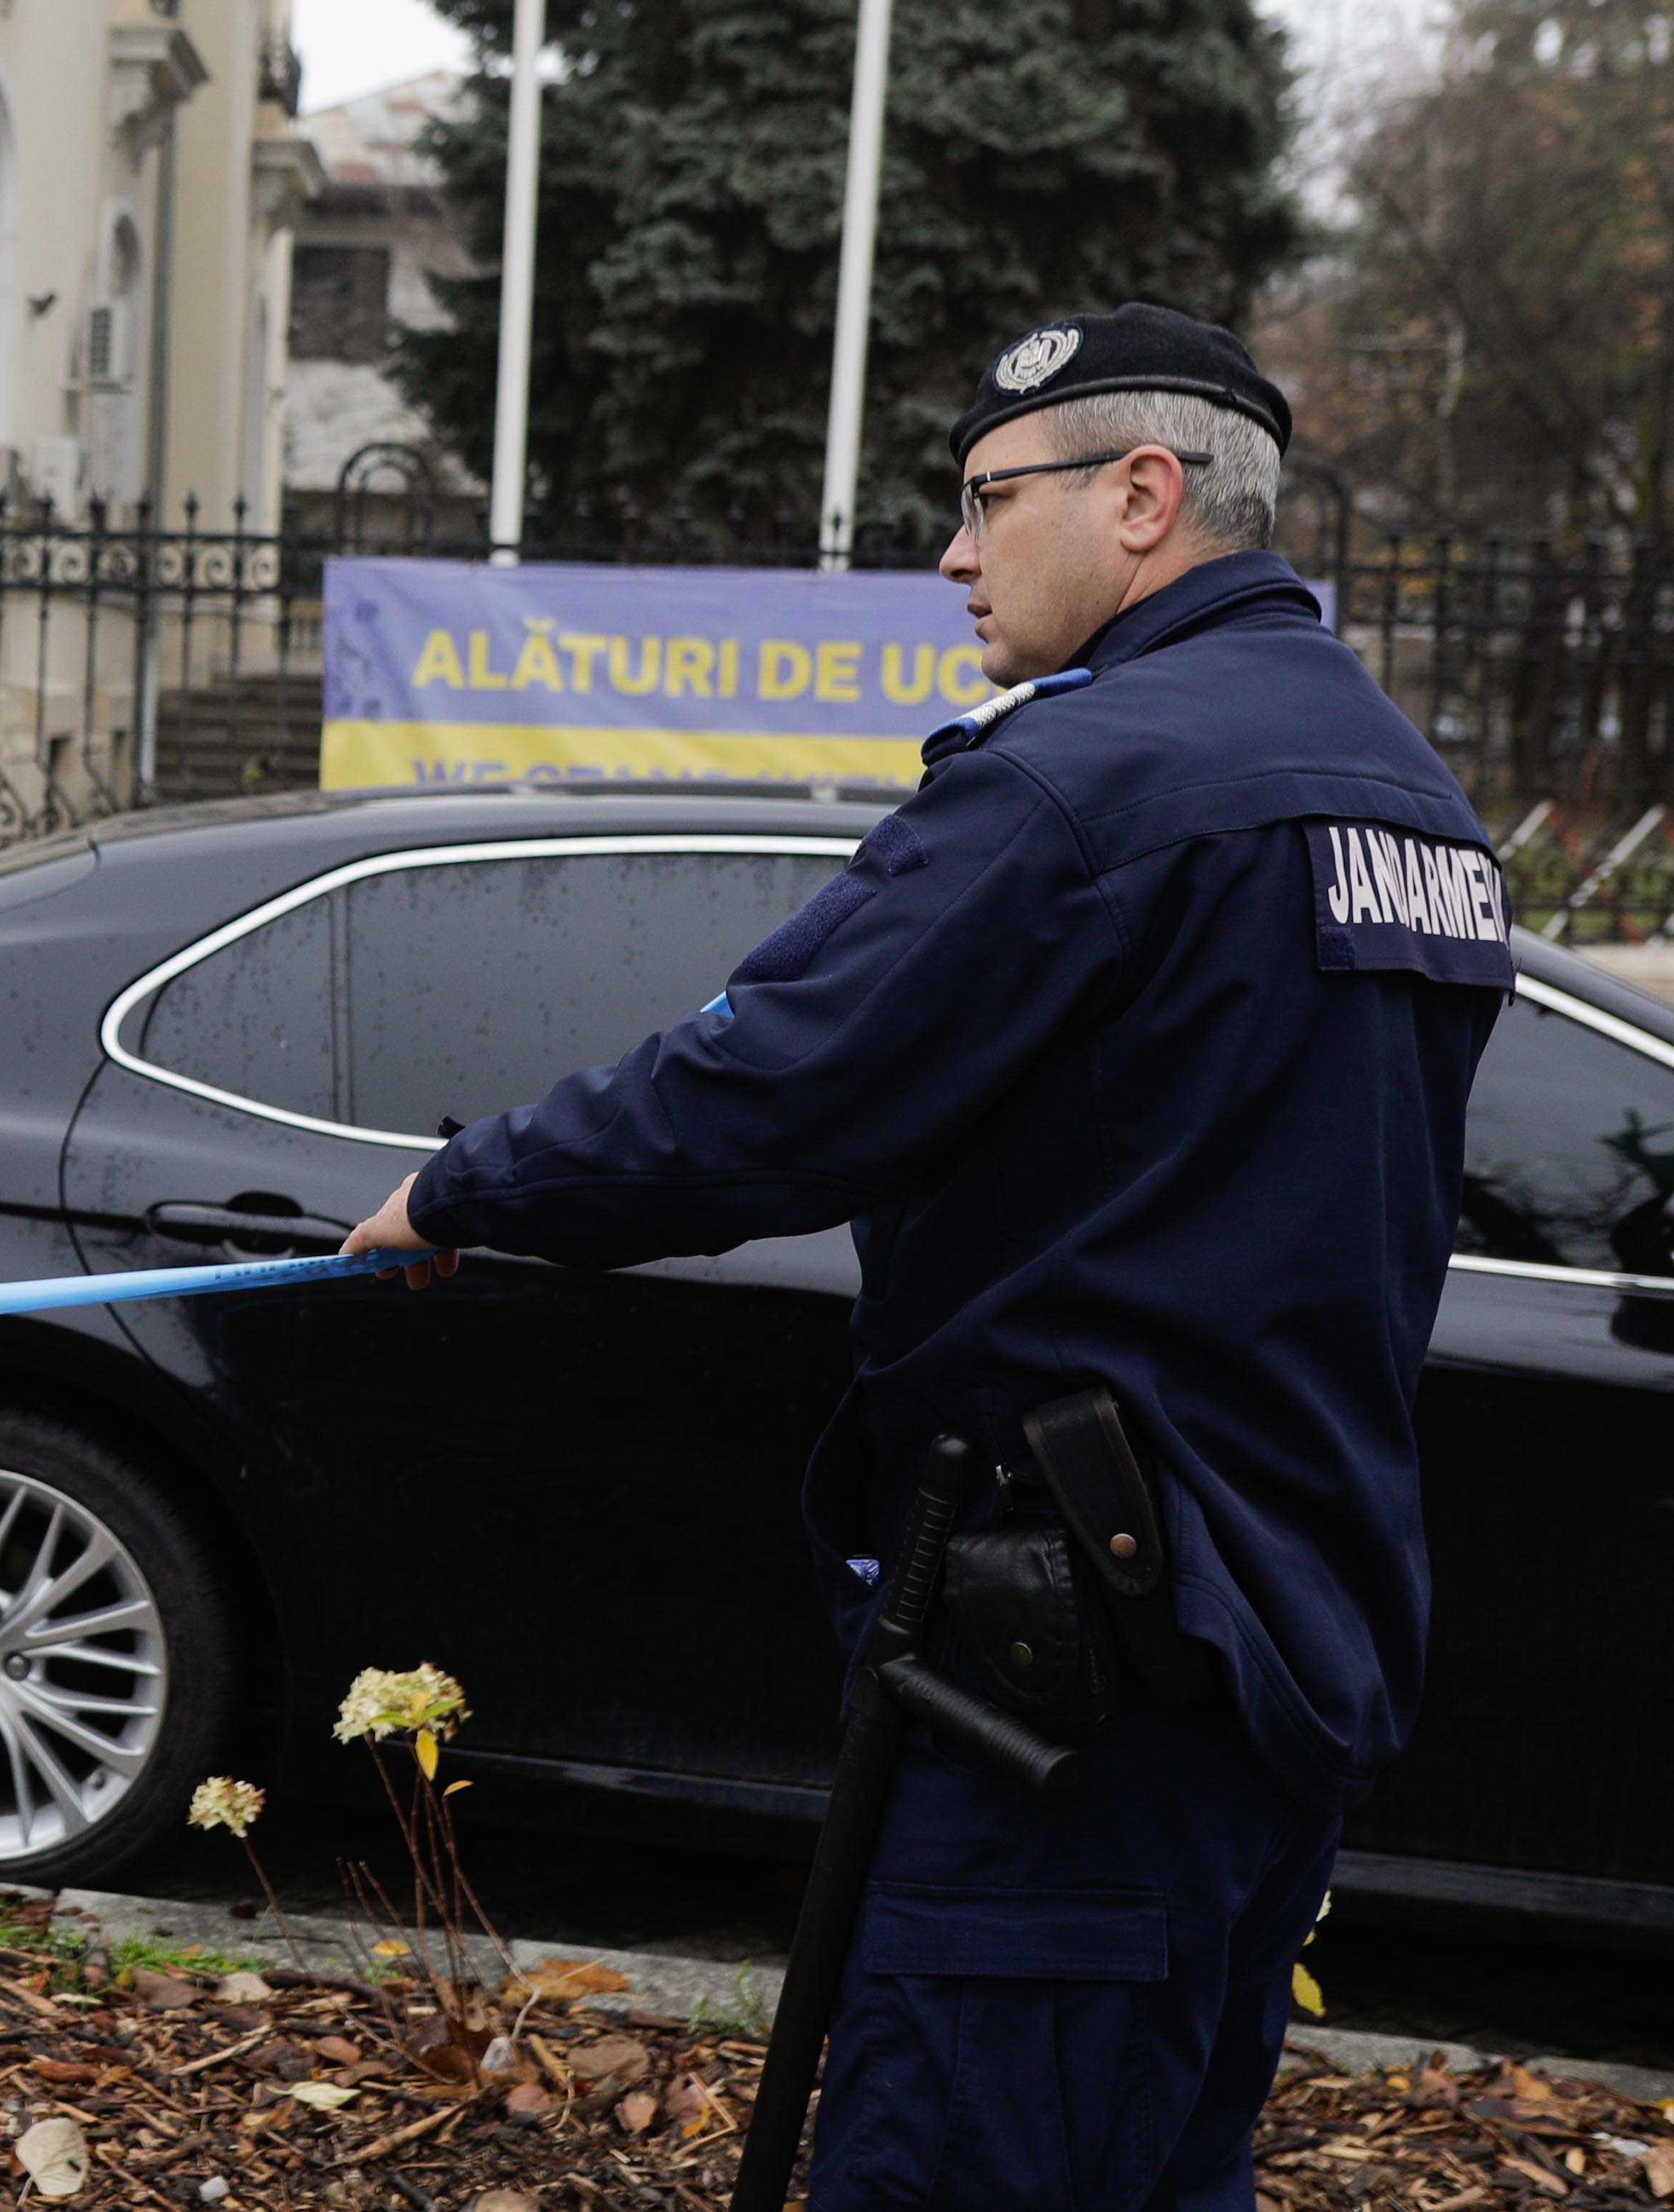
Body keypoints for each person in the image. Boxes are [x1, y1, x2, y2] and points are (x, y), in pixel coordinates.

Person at [340, 304, 1508, 2212]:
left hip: (1078, 1679)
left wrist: (468, 1190)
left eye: (988, 499)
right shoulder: (1407, 794)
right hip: (1288, 1633)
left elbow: (773, 1085)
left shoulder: (1087, 781)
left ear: (1143, 496)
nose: (956, 555)